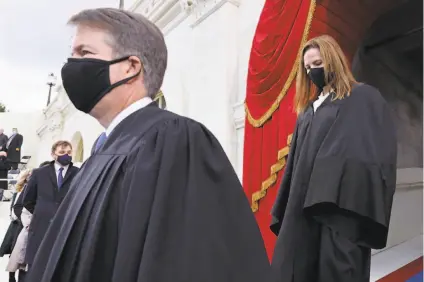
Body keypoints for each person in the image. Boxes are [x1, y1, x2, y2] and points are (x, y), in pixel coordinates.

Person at [27, 8, 270, 282]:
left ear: (131, 67)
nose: (71, 66)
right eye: (72, 55)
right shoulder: (102, 150)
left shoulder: (173, 140)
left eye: (85, 54)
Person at [270, 35, 397, 282]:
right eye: (307, 68)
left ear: (333, 59)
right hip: (302, 209)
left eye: (317, 63)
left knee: (336, 270)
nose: (312, 71)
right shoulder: (307, 111)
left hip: (340, 211)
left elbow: (377, 152)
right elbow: (295, 165)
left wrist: (332, 173)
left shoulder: (363, 98)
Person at [22, 141, 79, 271]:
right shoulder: (39, 173)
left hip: (66, 225)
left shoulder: (78, 173)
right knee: (38, 266)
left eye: (69, 152)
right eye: (62, 152)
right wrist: (41, 212)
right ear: (53, 154)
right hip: (41, 226)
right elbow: (28, 200)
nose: (66, 155)